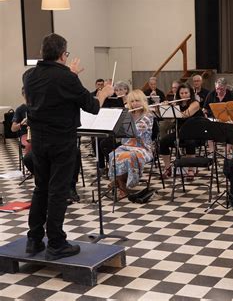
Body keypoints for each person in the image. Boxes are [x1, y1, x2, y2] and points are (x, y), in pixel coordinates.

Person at [23, 33, 114, 260]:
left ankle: (34, 240)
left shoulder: (30, 76)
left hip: (39, 143)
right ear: (63, 54)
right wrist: (103, 93)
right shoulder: (66, 78)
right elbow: (92, 106)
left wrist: (69, 73)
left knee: (41, 188)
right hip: (61, 142)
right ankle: (56, 242)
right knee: (58, 191)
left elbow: (52, 88)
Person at [108, 90, 154, 199]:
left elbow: (137, 132)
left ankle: (122, 186)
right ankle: (121, 186)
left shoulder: (148, 115)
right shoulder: (127, 115)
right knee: (113, 155)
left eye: (137, 101)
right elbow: (120, 134)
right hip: (126, 146)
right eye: (132, 101)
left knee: (129, 156)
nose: (134, 104)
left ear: (143, 101)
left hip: (142, 147)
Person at [160, 83, 204, 180]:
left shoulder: (195, 103)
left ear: (190, 93)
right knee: (163, 141)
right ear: (178, 94)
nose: (184, 95)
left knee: (190, 142)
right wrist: (165, 108)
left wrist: (172, 109)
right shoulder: (177, 104)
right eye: (182, 93)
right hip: (180, 132)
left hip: (195, 133)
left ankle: (191, 169)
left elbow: (185, 114)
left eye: (186, 93)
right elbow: (170, 119)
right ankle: (167, 168)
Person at [11, 88, 31, 155]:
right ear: (23, 95)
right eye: (26, 93)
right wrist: (22, 123)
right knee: (30, 145)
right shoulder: (20, 109)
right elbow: (13, 129)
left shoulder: (38, 107)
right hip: (25, 135)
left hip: (38, 134)